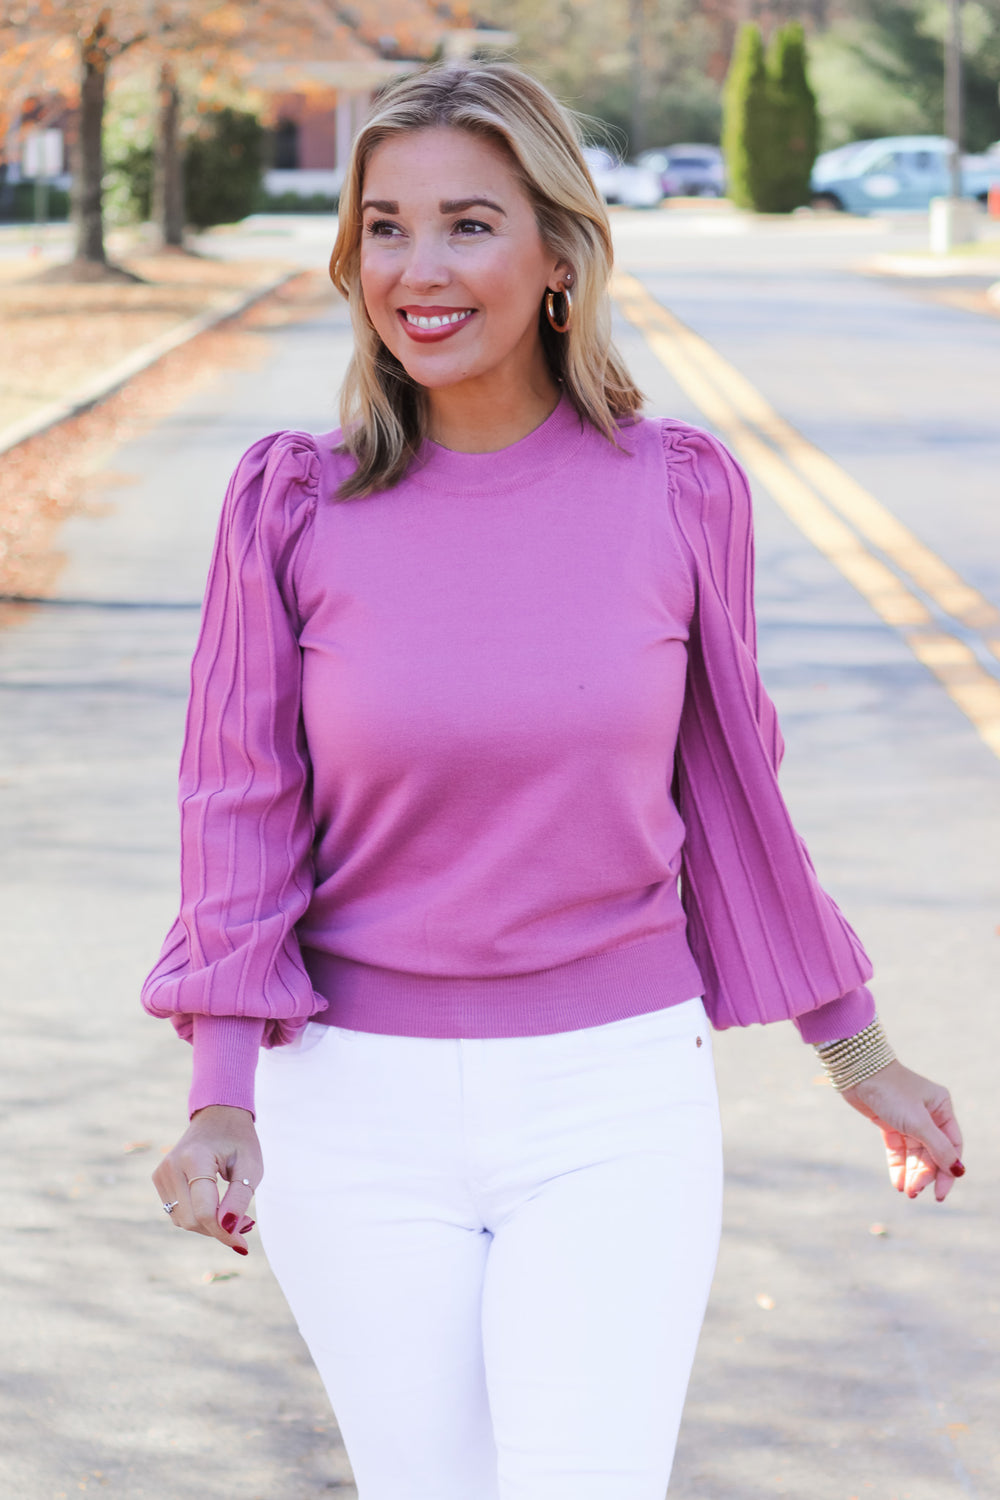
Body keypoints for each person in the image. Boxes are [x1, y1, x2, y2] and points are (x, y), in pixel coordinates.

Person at [144, 60, 965, 1500]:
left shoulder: (676, 492)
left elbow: (731, 796)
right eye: (384, 228)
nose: (419, 269)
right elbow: (240, 805)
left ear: (558, 255)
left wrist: (856, 1051)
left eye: (468, 223)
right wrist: (223, 1096)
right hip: (353, 1107)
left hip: (611, 1103)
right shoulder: (290, 505)